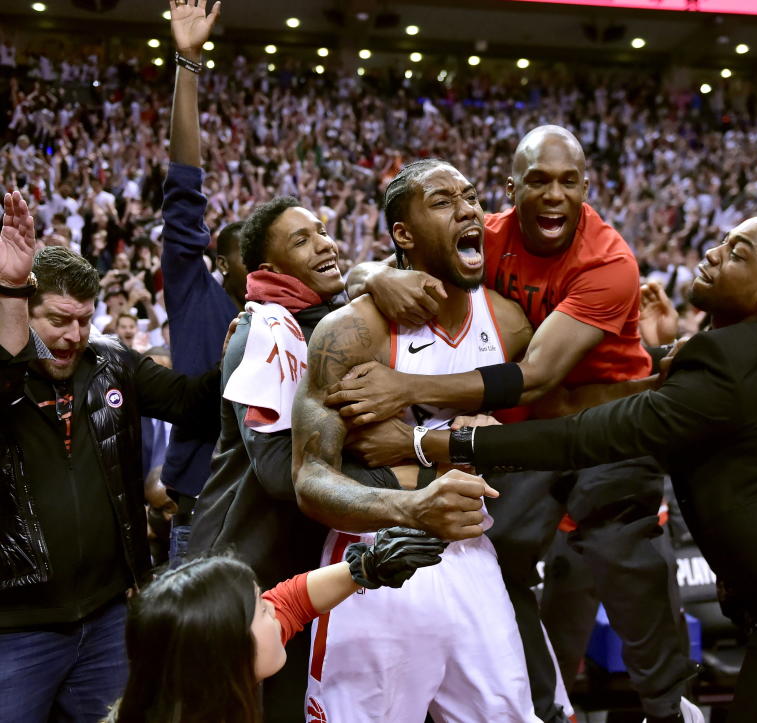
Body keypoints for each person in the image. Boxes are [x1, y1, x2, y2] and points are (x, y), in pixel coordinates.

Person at [413, 211, 757, 723]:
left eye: (738, 254)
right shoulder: (749, 348)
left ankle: (669, 708)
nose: (714, 253)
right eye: (722, 240)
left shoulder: (729, 364)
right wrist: (664, 356)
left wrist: (452, 443)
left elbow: (595, 436)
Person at [338, 125, 697, 723]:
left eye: (568, 182)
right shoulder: (486, 235)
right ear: (512, 188)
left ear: (587, 187)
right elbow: (394, 262)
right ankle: (543, 706)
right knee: (495, 557)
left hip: (603, 425)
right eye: (538, 180)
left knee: (621, 552)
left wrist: (407, 388)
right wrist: (375, 275)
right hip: (523, 432)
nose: (554, 194)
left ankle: (669, 709)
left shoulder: (609, 262)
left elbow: (536, 376)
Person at [293, 158, 540, 722]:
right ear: (403, 234)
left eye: (471, 197)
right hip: (374, 556)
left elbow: (557, 423)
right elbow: (309, 479)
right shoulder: (353, 333)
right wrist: (413, 506)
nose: (468, 209)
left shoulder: (509, 322)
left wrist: (456, 447)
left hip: (472, 551)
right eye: (443, 201)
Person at [0, 190, 220, 723]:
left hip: (108, 617)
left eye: (84, 319)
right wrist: (9, 288)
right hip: (14, 628)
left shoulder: (112, 364)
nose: (73, 335)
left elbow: (193, 405)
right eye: (58, 320)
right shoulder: (7, 374)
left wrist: (245, 341)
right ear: (25, 312)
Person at [107, 527, 447, 723]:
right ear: (226, 649)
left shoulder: (186, 686)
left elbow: (292, 602)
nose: (273, 609)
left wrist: (368, 567)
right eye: (261, 609)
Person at [160, 0, 245, 566]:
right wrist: (188, 67)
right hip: (202, 519)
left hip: (276, 519)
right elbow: (184, 190)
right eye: (254, 251)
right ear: (221, 261)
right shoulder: (198, 295)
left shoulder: (307, 320)